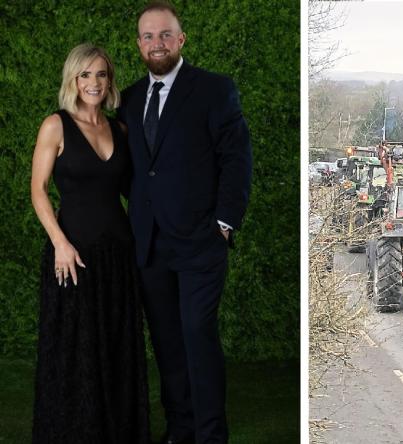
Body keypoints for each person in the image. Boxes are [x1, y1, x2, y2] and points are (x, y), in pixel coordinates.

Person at [117, 2, 252, 443]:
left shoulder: (214, 90)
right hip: (149, 244)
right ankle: (180, 428)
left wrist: (225, 222)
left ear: (181, 40)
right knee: (168, 342)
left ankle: (211, 434)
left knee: (197, 335)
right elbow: (133, 169)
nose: (157, 44)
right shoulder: (130, 98)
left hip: (200, 242)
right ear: (139, 44)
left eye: (165, 35)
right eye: (148, 36)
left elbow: (236, 160)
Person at [30, 43, 149, 443]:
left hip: (118, 254)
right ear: (73, 79)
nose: (93, 82)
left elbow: (138, 190)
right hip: (73, 255)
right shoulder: (55, 125)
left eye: (100, 74)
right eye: (85, 75)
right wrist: (60, 243)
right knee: (74, 351)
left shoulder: (120, 129)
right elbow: (38, 191)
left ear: (109, 80)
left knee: (116, 347)